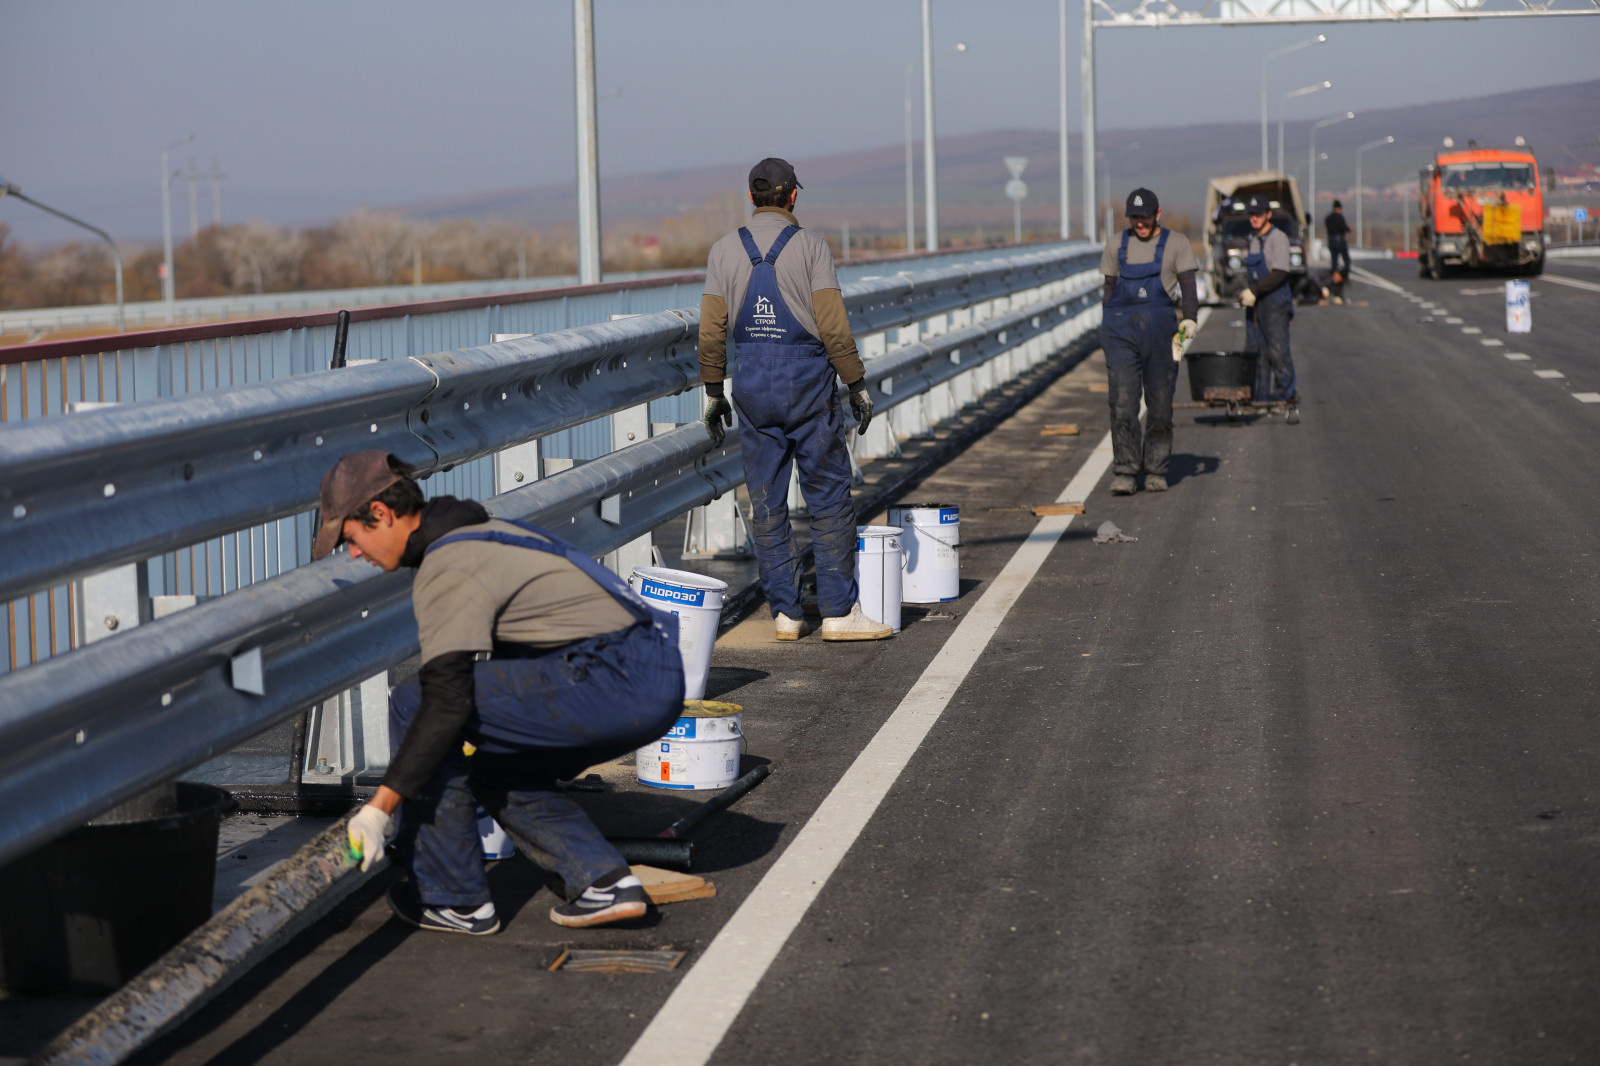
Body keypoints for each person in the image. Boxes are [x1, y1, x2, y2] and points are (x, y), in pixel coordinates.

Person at [318, 450, 685, 935]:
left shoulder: (448, 562)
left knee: (415, 703)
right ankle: (604, 882)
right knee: (494, 768)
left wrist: (379, 808)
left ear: (381, 514)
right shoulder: (485, 533)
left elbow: (445, 700)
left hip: (615, 674)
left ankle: (453, 898)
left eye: (352, 538)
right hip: (649, 674)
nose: (355, 554)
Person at [698, 157, 891, 641]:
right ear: (793, 196)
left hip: (752, 385)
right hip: (806, 383)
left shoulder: (723, 251)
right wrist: (856, 383)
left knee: (766, 499)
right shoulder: (811, 247)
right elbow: (832, 325)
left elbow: (711, 332)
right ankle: (839, 613)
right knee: (827, 496)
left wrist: (713, 390)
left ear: (751, 197)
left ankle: (785, 614)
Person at [1098, 187, 1200, 496]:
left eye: (1144, 217)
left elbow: (1188, 288)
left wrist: (1189, 321)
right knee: (1122, 402)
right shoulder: (1116, 245)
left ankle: (1156, 467)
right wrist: (1108, 325)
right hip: (1121, 333)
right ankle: (1126, 470)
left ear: (1157, 214)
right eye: (1134, 218)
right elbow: (1109, 289)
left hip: (1161, 334)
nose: (1139, 223)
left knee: (1159, 404)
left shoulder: (1177, 244)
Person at [1240, 194, 1300, 423]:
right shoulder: (1253, 240)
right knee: (1256, 351)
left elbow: (1280, 272)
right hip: (1256, 303)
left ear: (1268, 215)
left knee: (1278, 351)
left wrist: (1254, 291)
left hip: (1275, 302)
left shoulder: (1278, 238)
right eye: (1252, 214)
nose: (1254, 218)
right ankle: (1261, 398)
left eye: (1258, 214)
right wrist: (1245, 292)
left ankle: (1286, 397)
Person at [1324, 200, 1351, 304]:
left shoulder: (1328, 218)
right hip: (1340, 241)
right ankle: (1341, 279)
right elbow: (1344, 228)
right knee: (1347, 263)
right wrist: (1348, 228)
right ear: (1339, 208)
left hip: (1331, 241)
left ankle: (1334, 279)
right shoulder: (1340, 217)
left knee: (1334, 264)